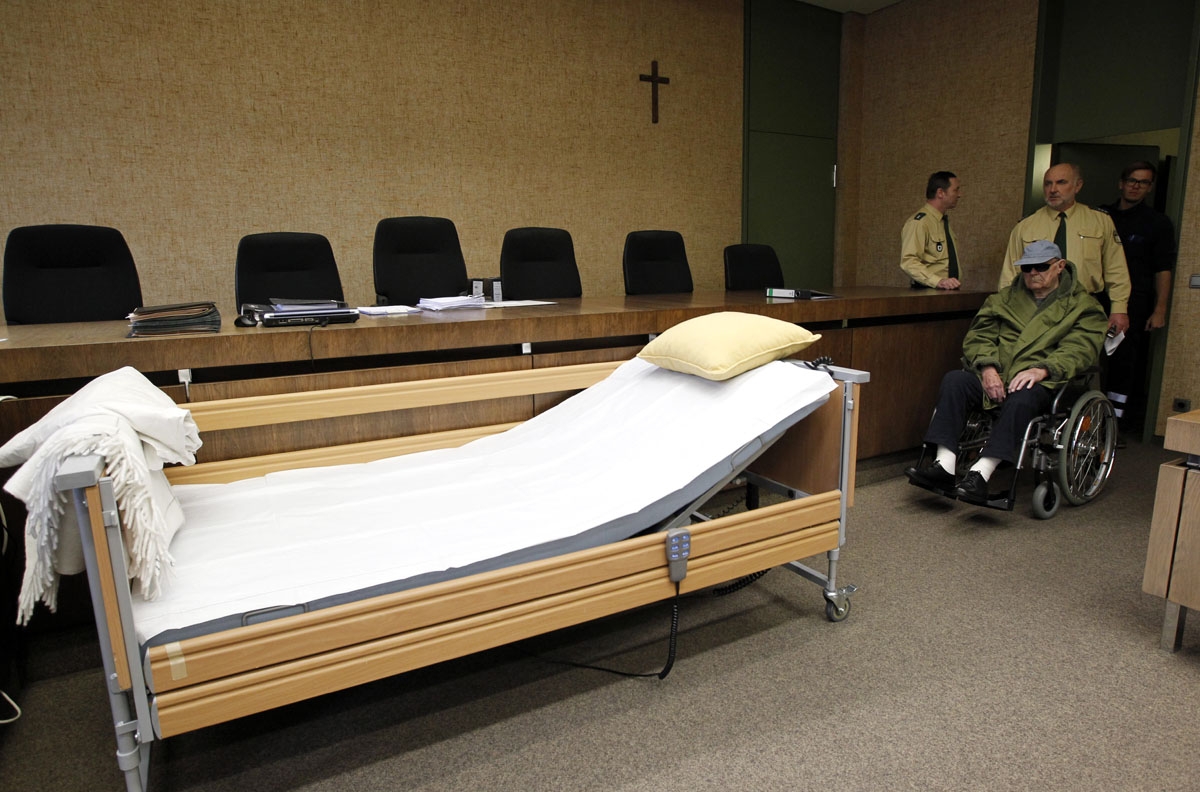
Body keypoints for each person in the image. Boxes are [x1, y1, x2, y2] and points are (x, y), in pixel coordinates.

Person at [908, 240, 1107, 504]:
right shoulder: (1003, 299)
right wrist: (988, 367)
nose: (1033, 273)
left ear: (1060, 266)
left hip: (1041, 381)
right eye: (1026, 268)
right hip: (995, 374)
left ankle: (982, 472)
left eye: (1041, 267)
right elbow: (979, 336)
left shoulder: (1084, 307)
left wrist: (1042, 369)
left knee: (1023, 396)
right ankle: (945, 464)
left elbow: (1080, 348)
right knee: (954, 380)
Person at [997, 163, 1131, 335]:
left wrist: (1119, 308)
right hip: (1035, 309)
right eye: (1048, 183)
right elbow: (1010, 274)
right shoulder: (1026, 225)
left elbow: (1116, 268)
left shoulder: (1100, 221)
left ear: (1078, 185)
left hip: (1083, 307)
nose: (1053, 189)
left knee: (1081, 358)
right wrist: (1005, 311)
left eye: (1061, 182)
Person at [1101, 161, 1176, 430]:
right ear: (1121, 183)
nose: (1136, 186)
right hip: (1096, 299)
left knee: (1123, 363)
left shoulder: (1157, 223)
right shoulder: (1101, 216)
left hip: (1134, 302)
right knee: (1088, 359)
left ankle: (1112, 425)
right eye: (1132, 180)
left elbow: (1163, 269)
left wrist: (1160, 309)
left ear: (1150, 188)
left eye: (1143, 182)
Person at [900, 171, 963, 289]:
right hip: (928, 292)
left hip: (946, 292)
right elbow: (909, 261)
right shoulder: (919, 222)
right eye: (955, 190)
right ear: (940, 193)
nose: (959, 195)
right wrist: (938, 281)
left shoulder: (942, 222)